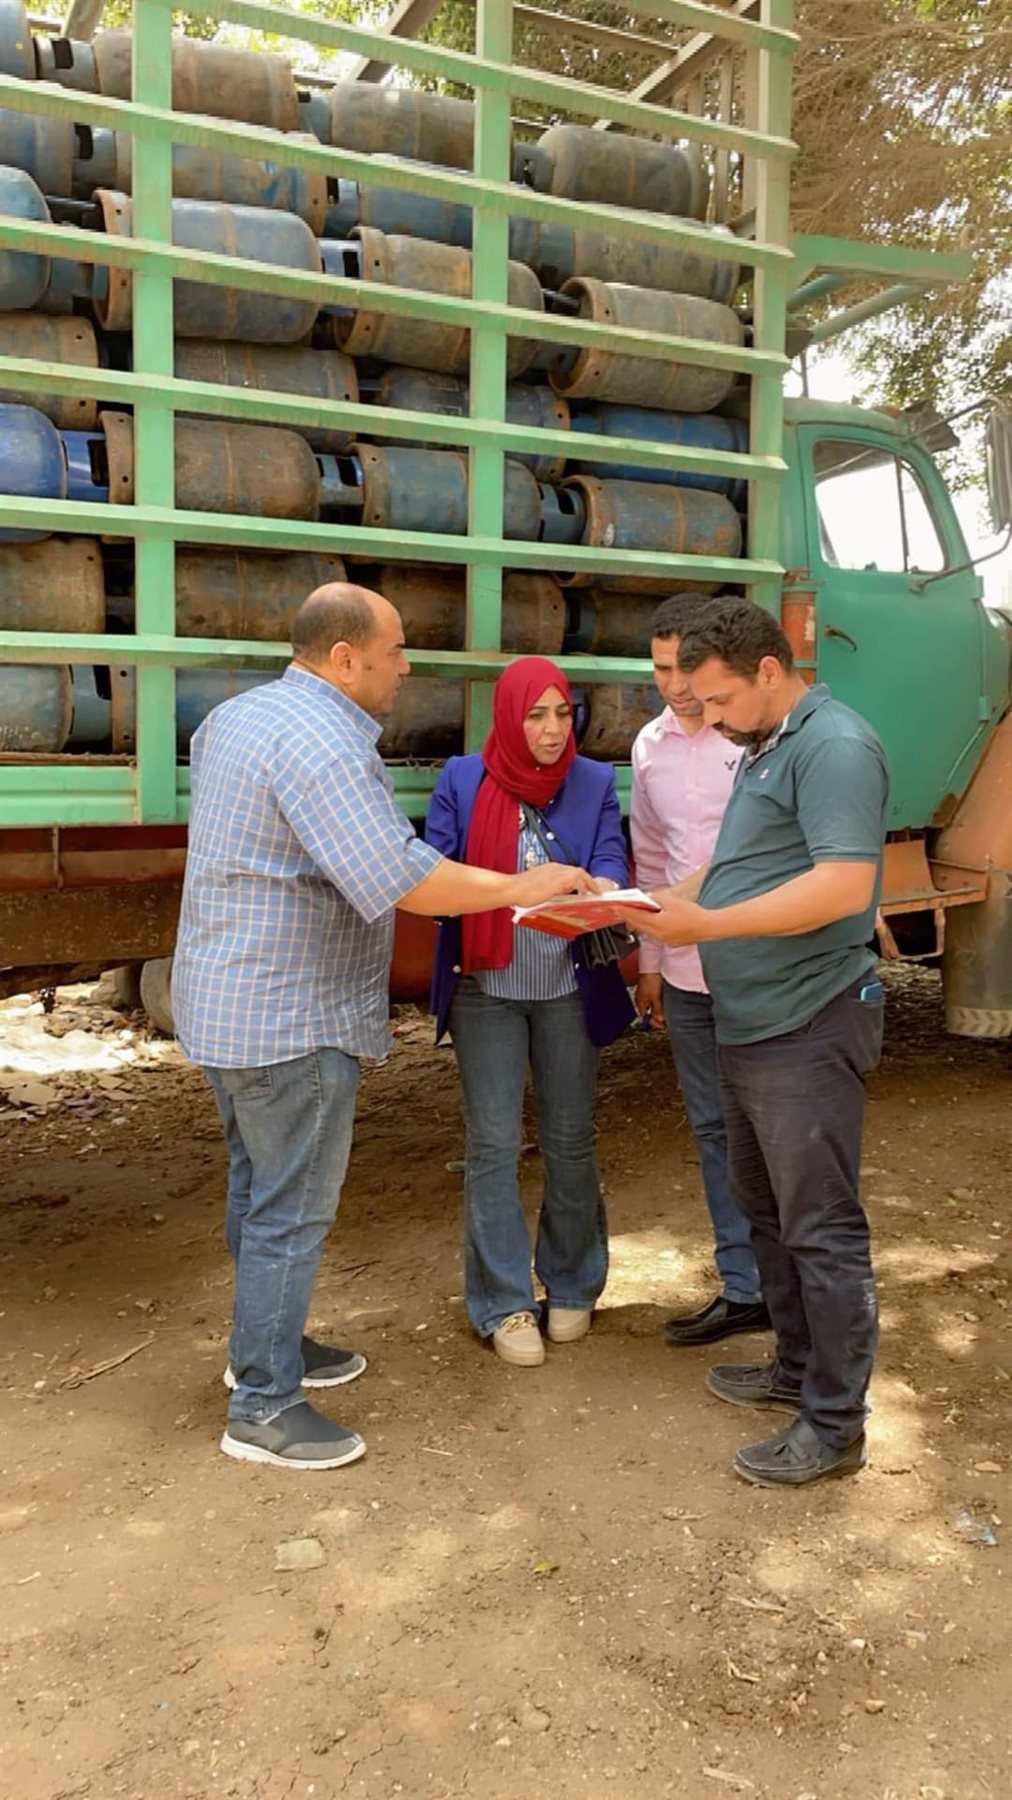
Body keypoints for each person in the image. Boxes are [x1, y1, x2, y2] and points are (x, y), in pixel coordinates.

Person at [171, 584, 592, 1472]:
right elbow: (401, 877)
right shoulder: (323, 741)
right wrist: (521, 886)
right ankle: (264, 1405)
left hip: (228, 1001)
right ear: (344, 658)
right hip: (291, 1014)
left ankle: (266, 1348)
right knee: (291, 1208)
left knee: (259, 1188)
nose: (406, 667)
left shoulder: (237, 717)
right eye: (395, 651)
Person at [616, 597, 889, 1488]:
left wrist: (707, 925)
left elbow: (843, 886)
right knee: (765, 1206)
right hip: (754, 1019)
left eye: (720, 699)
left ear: (770, 671)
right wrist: (657, 903)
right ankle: (795, 1369)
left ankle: (835, 1425)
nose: (712, 718)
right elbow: (736, 866)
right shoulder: (767, 743)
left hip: (808, 1018)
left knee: (820, 1224)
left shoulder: (833, 745)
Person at [424, 656, 634, 1367]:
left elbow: (613, 859)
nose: (551, 730)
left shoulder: (594, 781)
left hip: (568, 989)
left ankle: (572, 1283)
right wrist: (517, 885)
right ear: (508, 718)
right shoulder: (462, 779)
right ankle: (503, 1301)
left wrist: (601, 885)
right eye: (535, 715)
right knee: (492, 1144)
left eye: (562, 714)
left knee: (570, 1140)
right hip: (486, 989)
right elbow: (435, 875)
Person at [631, 593, 768, 1346]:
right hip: (685, 973)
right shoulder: (648, 746)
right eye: (661, 669)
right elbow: (652, 857)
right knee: (714, 1129)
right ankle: (744, 1288)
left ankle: (788, 1286)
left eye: (686, 666)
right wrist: (651, 964)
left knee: (773, 1127)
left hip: (758, 961)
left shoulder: (749, 735)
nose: (677, 685)